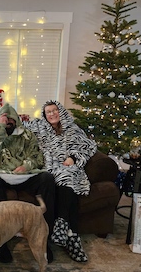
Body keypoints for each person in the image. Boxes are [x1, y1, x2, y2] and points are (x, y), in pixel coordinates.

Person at [0, 103, 56, 264]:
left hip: (26, 174)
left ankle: (44, 241)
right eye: (4, 118)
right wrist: (0, 128)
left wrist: (26, 165)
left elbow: (37, 157)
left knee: (47, 178)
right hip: (1, 174)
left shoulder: (27, 135)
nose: (8, 120)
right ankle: (0, 243)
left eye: (11, 118)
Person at [23, 100, 97, 262]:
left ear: (60, 111)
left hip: (70, 166)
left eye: (54, 110)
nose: (52, 114)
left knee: (68, 176)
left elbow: (89, 146)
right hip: (50, 166)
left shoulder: (73, 128)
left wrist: (73, 157)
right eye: (48, 112)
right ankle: (71, 235)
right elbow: (21, 125)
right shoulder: (39, 127)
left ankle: (63, 228)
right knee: (66, 177)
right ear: (44, 115)